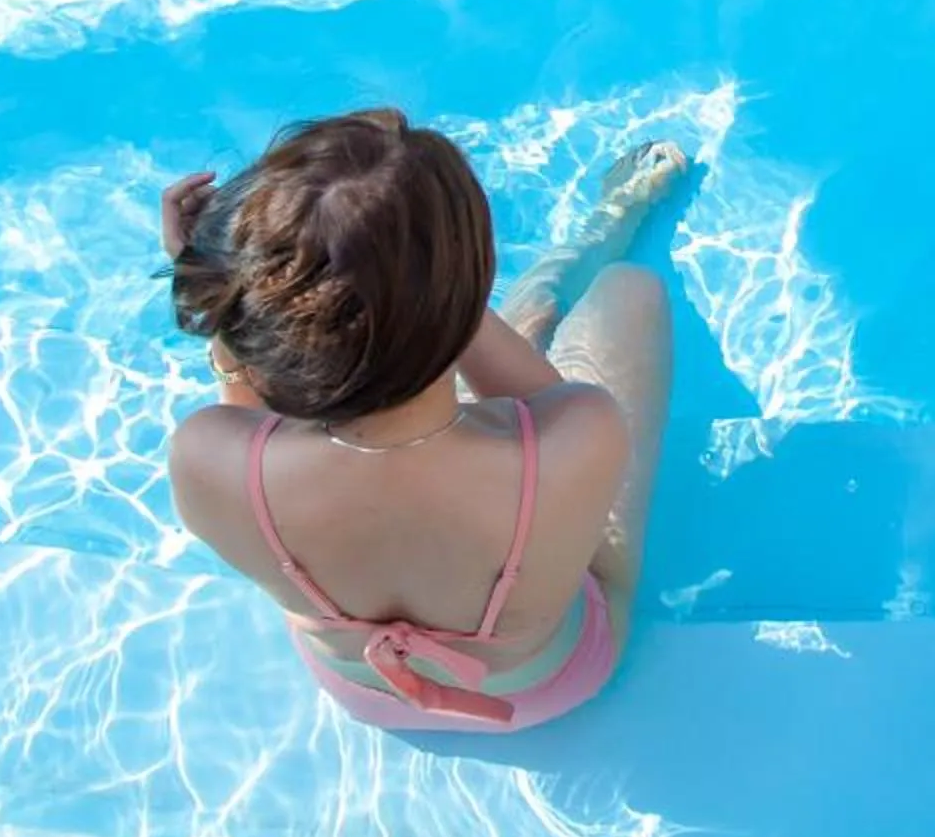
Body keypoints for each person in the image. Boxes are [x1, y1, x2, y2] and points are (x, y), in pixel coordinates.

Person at [159, 108, 685, 732]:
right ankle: (610, 222)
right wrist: (429, 295)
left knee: (524, 323)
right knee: (627, 290)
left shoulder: (205, 457)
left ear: (249, 325)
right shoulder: (576, 435)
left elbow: (249, 392)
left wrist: (229, 286)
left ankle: (344, 315)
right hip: (547, 683)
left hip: (364, 691)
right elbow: (546, 404)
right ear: (467, 294)